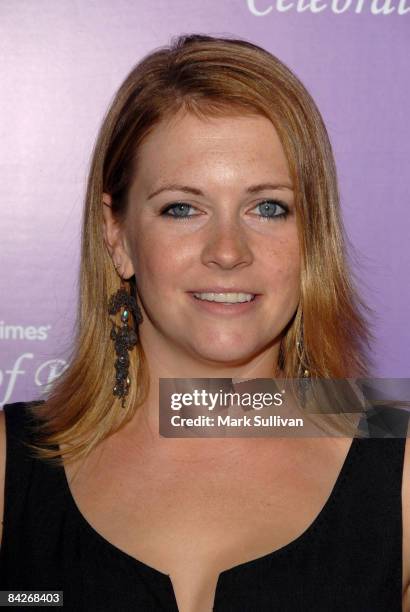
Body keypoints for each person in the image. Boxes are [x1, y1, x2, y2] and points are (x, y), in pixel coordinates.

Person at [0, 33, 408, 611]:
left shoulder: (401, 474)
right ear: (117, 236)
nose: (226, 250)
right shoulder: (7, 465)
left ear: (312, 236)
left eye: (268, 207)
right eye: (182, 208)